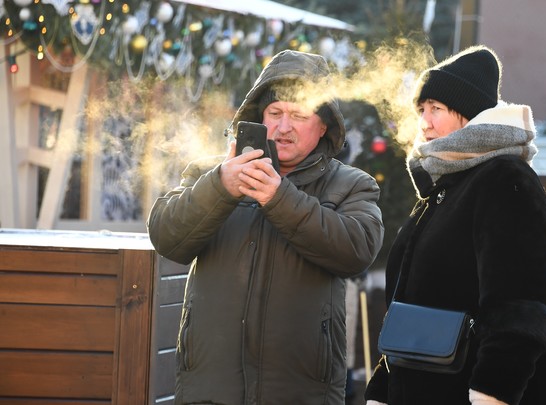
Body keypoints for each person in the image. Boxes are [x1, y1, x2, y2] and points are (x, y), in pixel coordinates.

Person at [147, 49, 385, 405]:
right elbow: (166, 237)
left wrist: (279, 197)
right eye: (275, 113)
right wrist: (220, 187)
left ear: (323, 125)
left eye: (299, 115)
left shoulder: (353, 184)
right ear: (259, 118)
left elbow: (357, 251)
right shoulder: (212, 173)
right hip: (210, 391)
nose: (283, 126)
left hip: (301, 394)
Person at [364, 45, 546, 405]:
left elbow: (520, 307)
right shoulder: (442, 189)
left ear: (469, 115)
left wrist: (492, 393)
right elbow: (408, 309)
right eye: (421, 110)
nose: (424, 122)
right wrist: (382, 390)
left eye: (437, 109)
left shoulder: (505, 180)